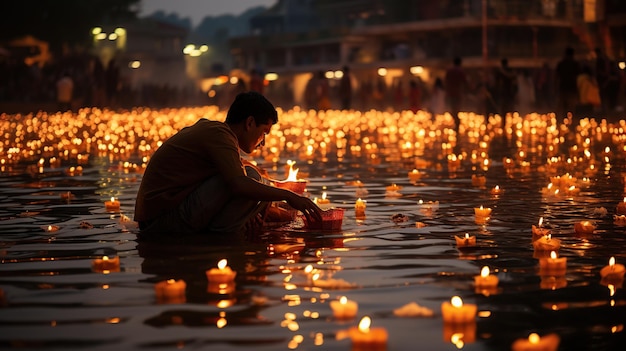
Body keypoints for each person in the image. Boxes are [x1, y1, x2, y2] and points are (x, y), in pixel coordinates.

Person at [134, 91, 323, 240]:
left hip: (161, 217)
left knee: (252, 176)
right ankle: (219, 236)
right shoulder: (219, 135)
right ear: (249, 123)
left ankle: (230, 228)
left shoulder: (218, 134)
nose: (263, 142)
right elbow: (239, 184)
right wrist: (289, 196)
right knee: (251, 178)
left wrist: (278, 212)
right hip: (160, 222)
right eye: (264, 132)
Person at [555, 46, 580, 123]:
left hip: (563, 89)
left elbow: (556, 77)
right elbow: (578, 76)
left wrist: (555, 88)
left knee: (561, 110)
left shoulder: (561, 64)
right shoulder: (575, 64)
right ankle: (571, 126)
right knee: (572, 110)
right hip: (572, 89)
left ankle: (560, 126)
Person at [444, 57, 469, 133]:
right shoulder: (460, 71)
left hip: (450, 93)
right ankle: (457, 123)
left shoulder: (449, 71)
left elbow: (446, 81)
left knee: (452, 110)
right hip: (458, 93)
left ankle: (456, 124)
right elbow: (465, 82)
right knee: (456, 109)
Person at [494, 58, 517, 128]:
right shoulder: (500, 72)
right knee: (505, 109)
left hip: (508, 92)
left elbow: (513, 77)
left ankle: (512, 125)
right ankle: (504, 125)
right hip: (505, 93)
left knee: (510, 109)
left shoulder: (507, 71)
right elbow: (497, 82)